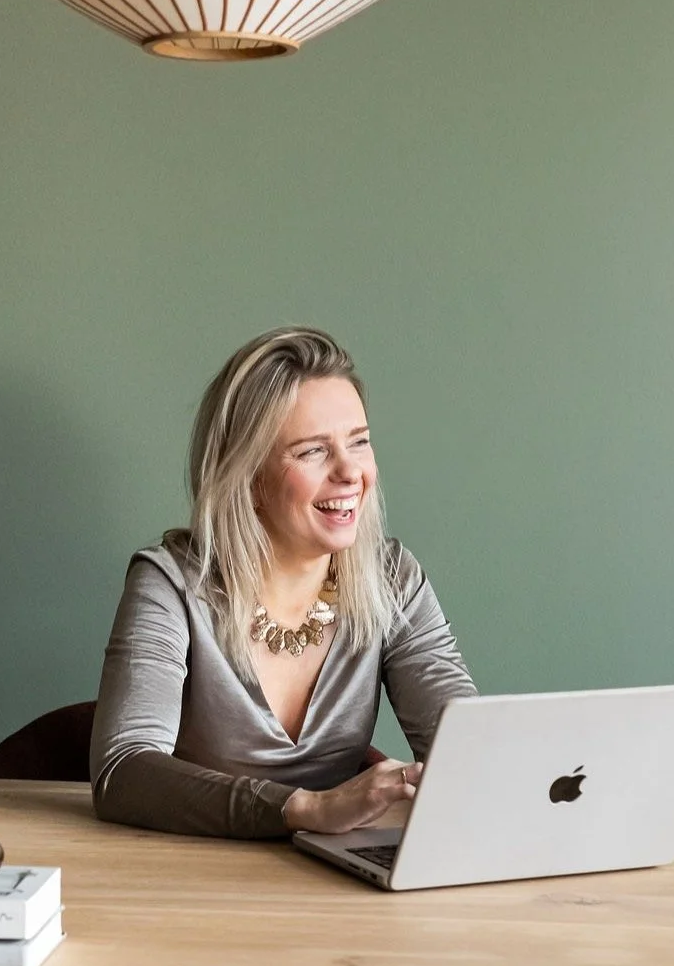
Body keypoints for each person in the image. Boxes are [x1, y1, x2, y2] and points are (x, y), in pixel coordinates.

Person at [90, 326, 477, 840]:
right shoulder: (171, 584)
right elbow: (124, 773)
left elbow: (470, 749)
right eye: (313, 451)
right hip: (187, 879)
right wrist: (304, 810)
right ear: (248, 477)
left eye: (359, 443)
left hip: (329, 884)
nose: (350, 472)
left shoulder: (393, 579)